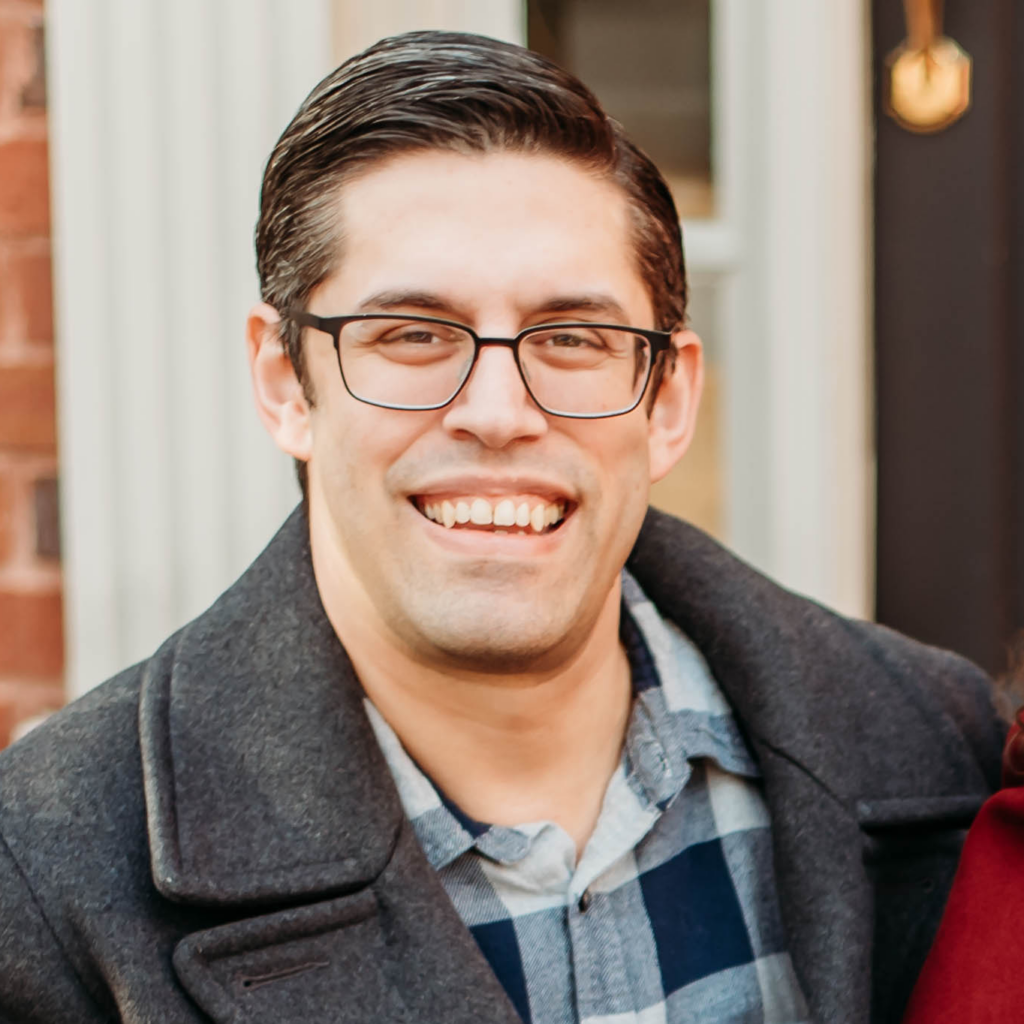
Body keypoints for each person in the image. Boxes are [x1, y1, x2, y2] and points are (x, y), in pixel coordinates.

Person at [0, 31, 1005, 1024]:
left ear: (666, 397)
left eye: (571, 337)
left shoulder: (940, 751)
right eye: (411, 333)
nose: (495, 409)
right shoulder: (47, 879)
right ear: (284, 382)